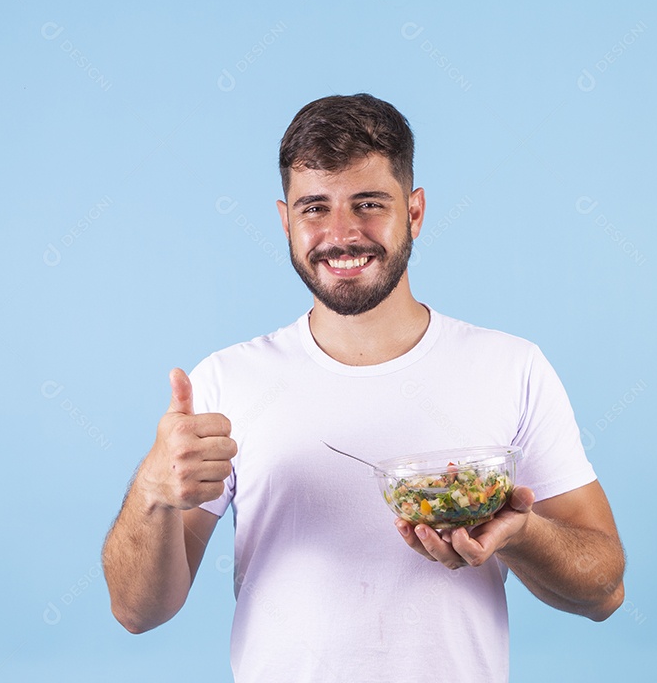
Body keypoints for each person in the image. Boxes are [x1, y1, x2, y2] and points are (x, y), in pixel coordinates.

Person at [102, 93, 625, 681]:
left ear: (416, 212)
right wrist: (152, 488)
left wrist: (519, 534)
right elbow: (136, 612)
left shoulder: (512, 367)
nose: (342, 234)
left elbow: (604, 591)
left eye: (368, 203)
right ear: (285, 221)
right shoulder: (227, 381)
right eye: (314, 208)